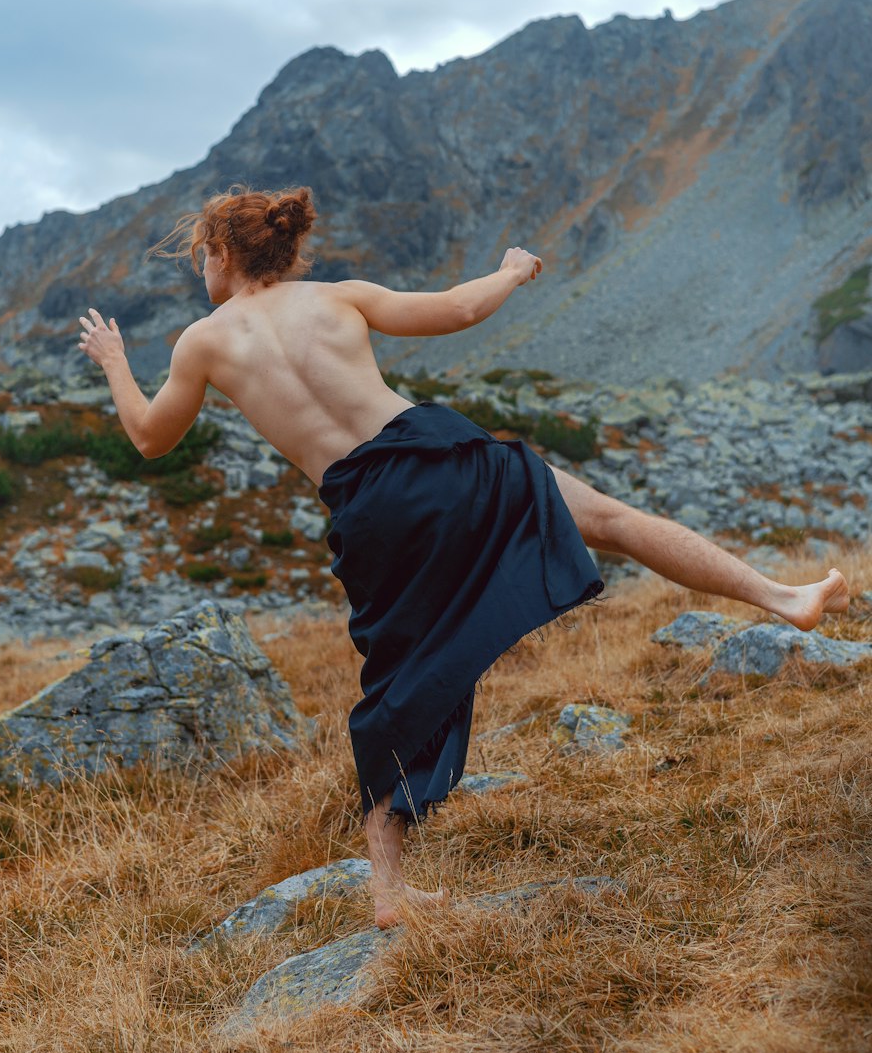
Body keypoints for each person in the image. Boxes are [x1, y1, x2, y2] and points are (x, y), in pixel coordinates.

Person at [77, 182, 850, 928]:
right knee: (609, 518)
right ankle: (784, 598)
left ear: (221, 251)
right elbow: (457, 309)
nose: (197, 272)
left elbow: (149, 438)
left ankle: (390, 887)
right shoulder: (338, 296)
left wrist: (114, 359)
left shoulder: (202, 343)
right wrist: (513, 270)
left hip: (367, 509)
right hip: (440, 462)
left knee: (398, 679)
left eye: (198, 257)